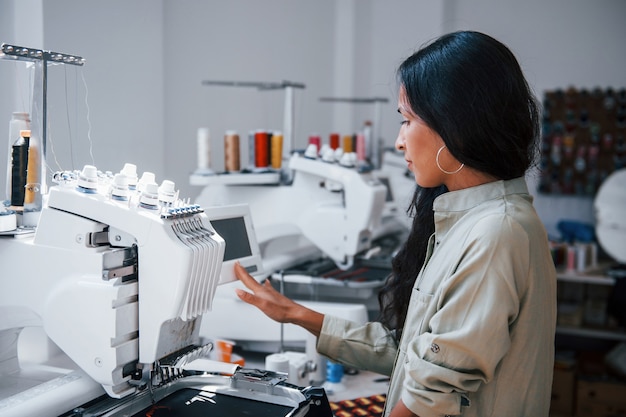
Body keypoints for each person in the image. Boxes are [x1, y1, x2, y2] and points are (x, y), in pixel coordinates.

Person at [234, 30, 557, 417]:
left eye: (407, 121)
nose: (400, 141)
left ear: (455, 124)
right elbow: (411, 352)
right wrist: (293, 313)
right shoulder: (474, 223)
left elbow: (430, 396)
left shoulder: (495, 233)